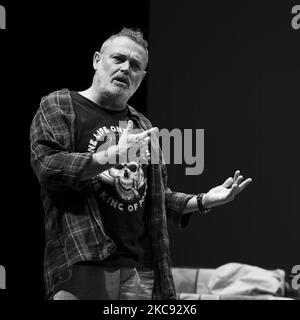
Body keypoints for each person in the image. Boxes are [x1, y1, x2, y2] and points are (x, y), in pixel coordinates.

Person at [30, 27, 252, 300]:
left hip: (140, 271)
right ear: (97, 59)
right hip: (84, 264)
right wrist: (112, 156)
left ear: (142, 77)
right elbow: (49, 166)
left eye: (135, 65)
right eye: (118, 59)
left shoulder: (141, 125)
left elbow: (157, 197)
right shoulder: (61, 104)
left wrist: (204, 200)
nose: (126, 68)